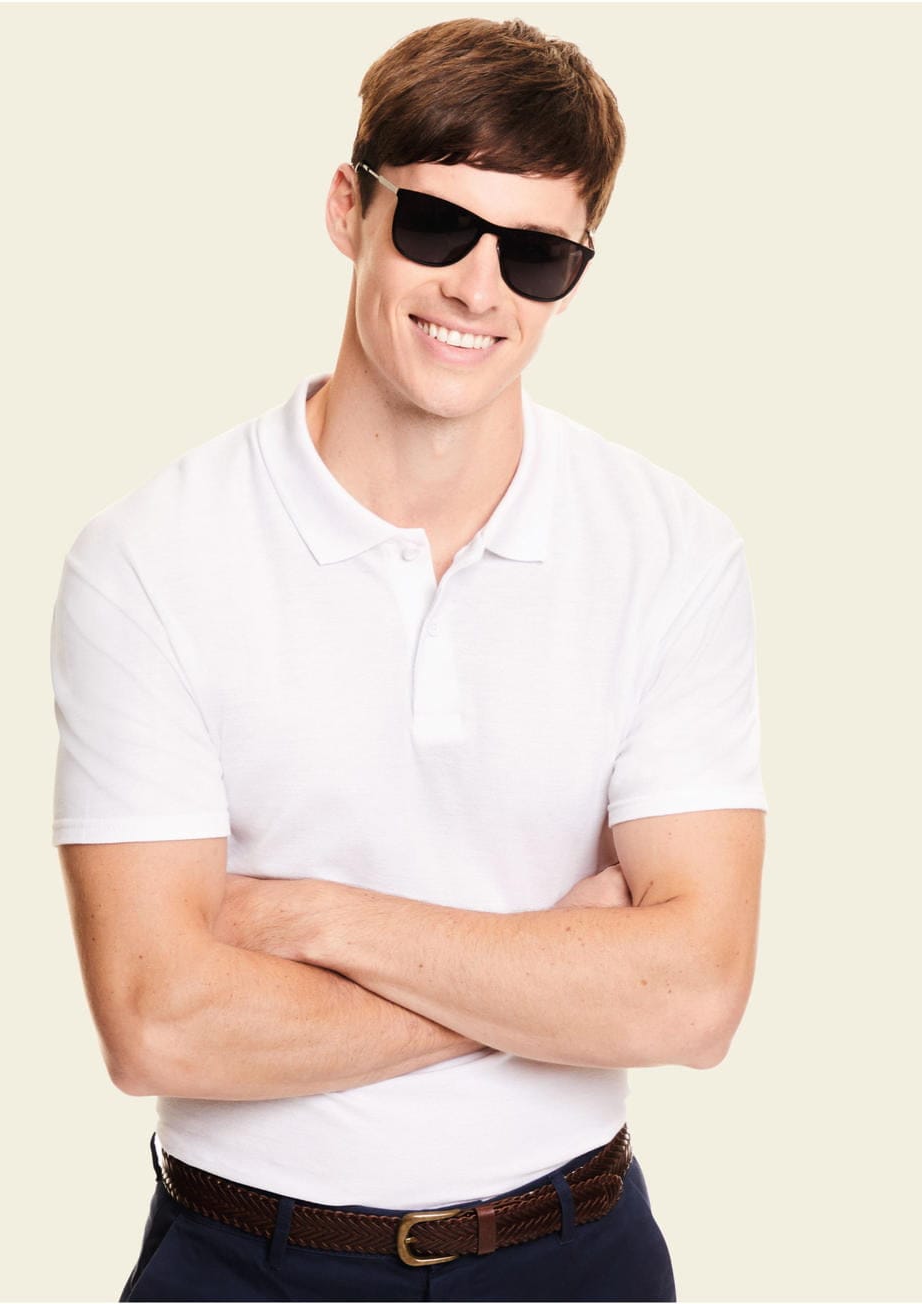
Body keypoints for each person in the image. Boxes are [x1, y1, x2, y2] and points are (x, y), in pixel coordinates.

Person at [50, 16, 766, 1303]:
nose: (477, 289)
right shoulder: (149, 558)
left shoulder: (671, 549)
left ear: (571, 276)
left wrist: (314, 921)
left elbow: (694, 999)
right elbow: (159, 1022)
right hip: (244, 1264)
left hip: (580, 1256)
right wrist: (547, 972)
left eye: (534, 254)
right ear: (350, 208)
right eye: (436, 226)